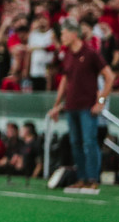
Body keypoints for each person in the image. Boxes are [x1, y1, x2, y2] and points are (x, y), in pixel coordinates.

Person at [48, 22, 114, 192]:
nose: (61, 37)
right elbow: (65, 81)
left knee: (89, 142)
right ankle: (82, 178)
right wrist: (56, 105)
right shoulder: (68, 55)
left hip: (87, 106)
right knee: (75, 143)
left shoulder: (91, 53)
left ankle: (92, 179)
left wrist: (100, 102)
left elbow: (110, 77)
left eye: (63, 34)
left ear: (73, 34)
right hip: (71, 107)